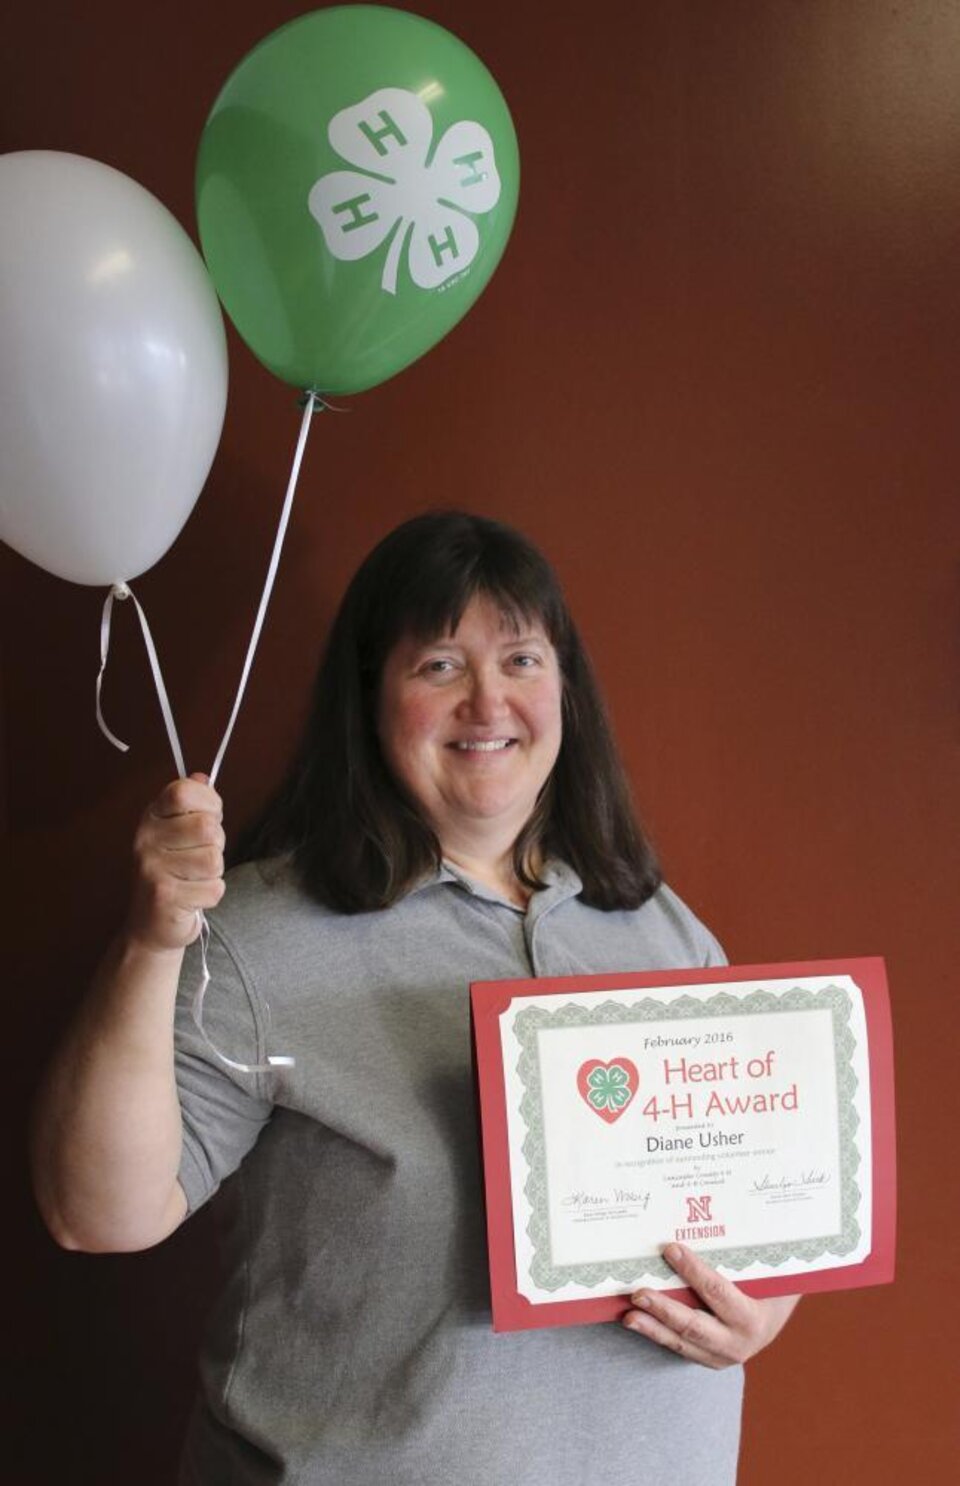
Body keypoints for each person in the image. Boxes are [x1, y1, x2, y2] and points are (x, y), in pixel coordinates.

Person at [32, 512, 798, 1486]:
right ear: (369, 697)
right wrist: (151, 940)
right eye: (439, 664)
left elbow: (757, 1203)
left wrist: (762, 1306)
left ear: (567, 688)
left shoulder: (663, 931)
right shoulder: (259, 934)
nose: (489, 702)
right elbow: (94, 1209)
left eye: (521, 657)